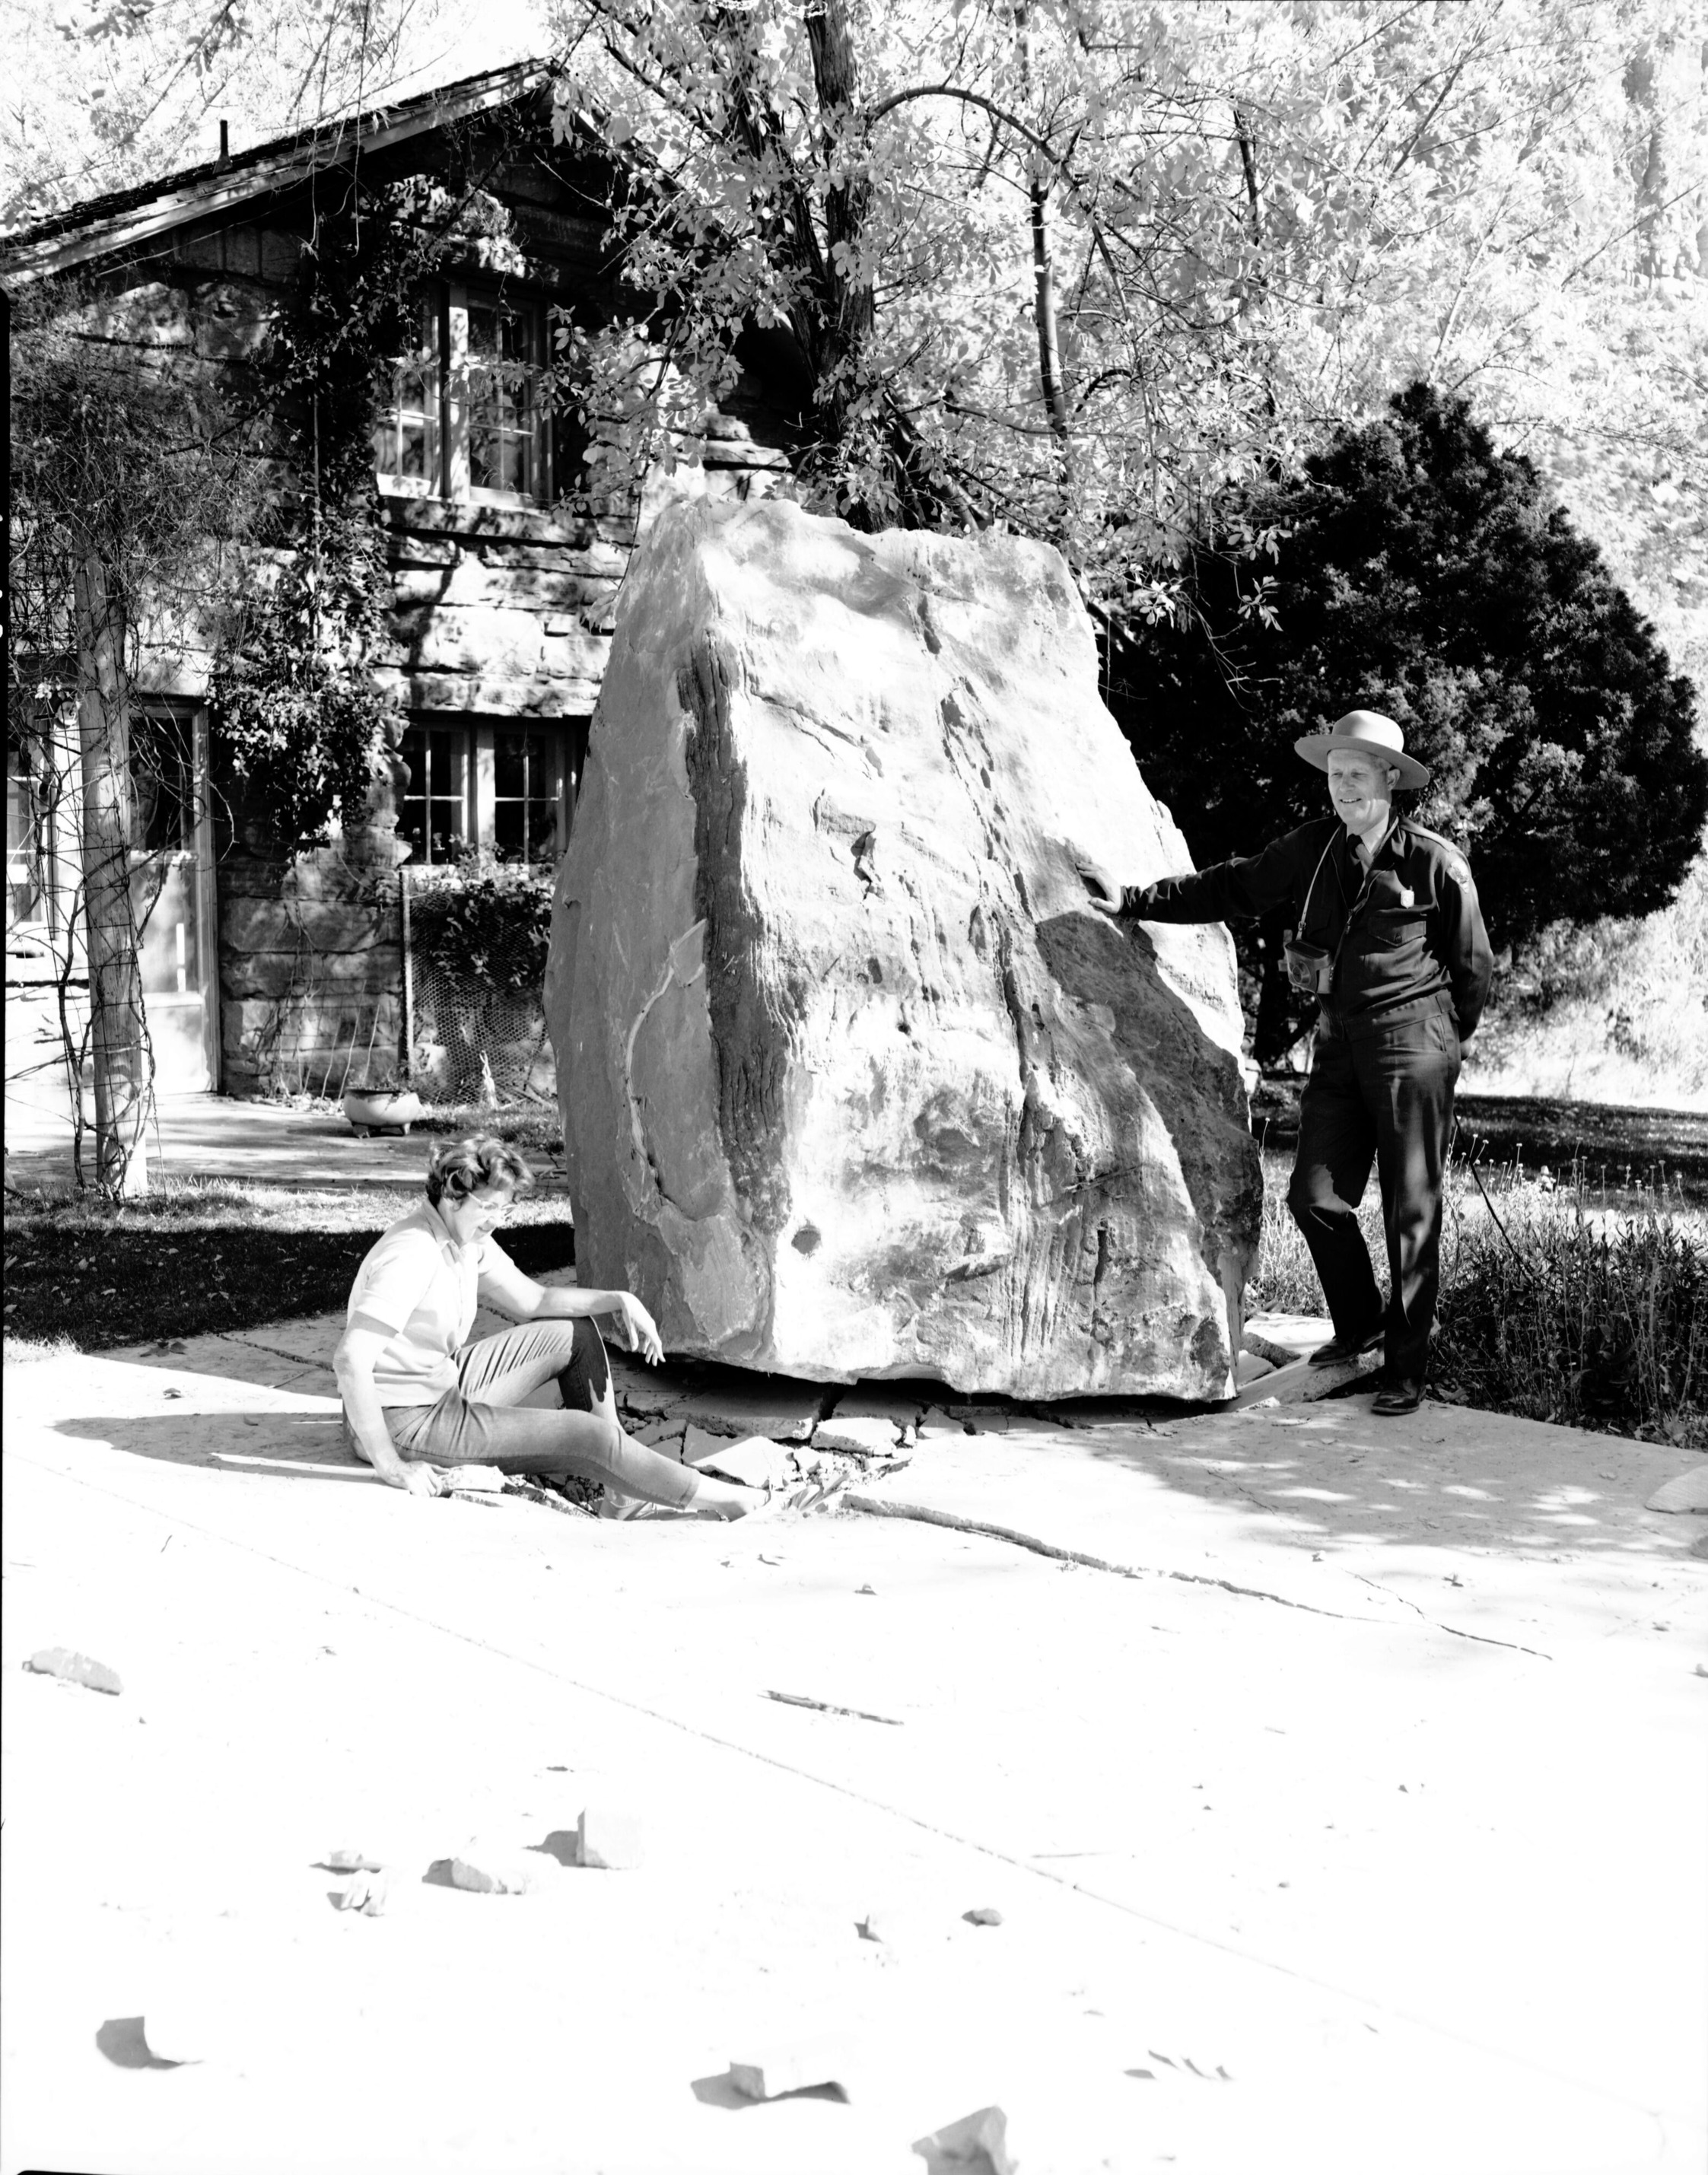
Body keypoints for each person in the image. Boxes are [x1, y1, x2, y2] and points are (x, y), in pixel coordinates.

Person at [1083, 710, 1493, 1416]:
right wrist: (1136, 900)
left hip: (1414, 1044)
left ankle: (1403, 1368)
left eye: (1356, 776)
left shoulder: (1434, 862)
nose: (1341, 789)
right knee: (1313, 1195)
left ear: (1389, 779)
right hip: (1338, 1046)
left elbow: (1473, 968)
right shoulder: (1314, 849)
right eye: (1334, 776)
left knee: (1410, 1209)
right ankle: (1361, 1322)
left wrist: (1440, 1044)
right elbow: (1235, 885)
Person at [333, 1135, 784, 1514]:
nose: (496, 1222)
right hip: (405, 1421)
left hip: (440, 1384)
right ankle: (726, 1501)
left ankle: (622, 1492)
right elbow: (351, 1360)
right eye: (489, 1207)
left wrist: (618, 1299)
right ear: (452, 1193)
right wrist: (391, 1465)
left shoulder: (466, 1240)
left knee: (575, 1333)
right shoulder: (413, 1253)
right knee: (586, 1435)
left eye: (504, 1211)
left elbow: (536, 1299)